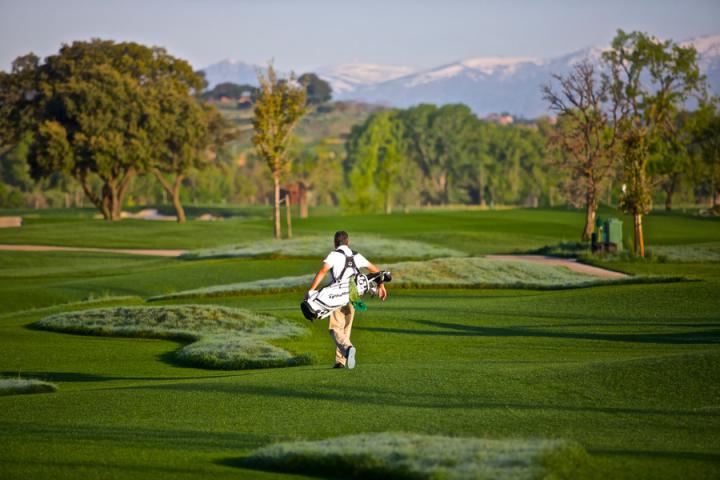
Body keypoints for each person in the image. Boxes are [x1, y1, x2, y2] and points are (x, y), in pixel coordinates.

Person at [306, 231, 387, 369]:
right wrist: (381, 285)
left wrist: (311, 291)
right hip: (354, 295)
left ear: (335, 243)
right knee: (346, 328)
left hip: (336, 296)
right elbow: (375, 270)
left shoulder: (333, 255)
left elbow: (322, 272)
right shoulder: (356, 255)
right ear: (347, 242)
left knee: (334, 328)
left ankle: (348, 349)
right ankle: (341, 361)